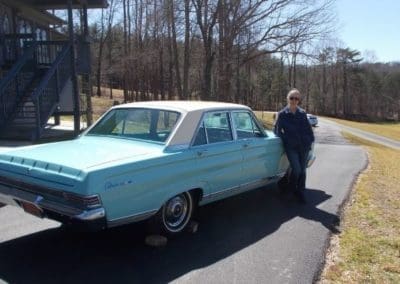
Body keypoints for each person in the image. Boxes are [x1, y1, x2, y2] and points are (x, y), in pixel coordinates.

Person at [274, 89, 315, 204]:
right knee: (296, 170)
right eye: (292, 98)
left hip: (304, 146)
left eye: (296, 98)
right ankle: (291, 190)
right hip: (291, 147)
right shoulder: (282, 114)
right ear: (288, 98)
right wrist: (286, 140)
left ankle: (300, 192)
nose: (294, 100)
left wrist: (310, 140)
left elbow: (309, 129)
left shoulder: (302, 113)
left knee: (302, 170)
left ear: (299, 100)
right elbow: (277, 131)